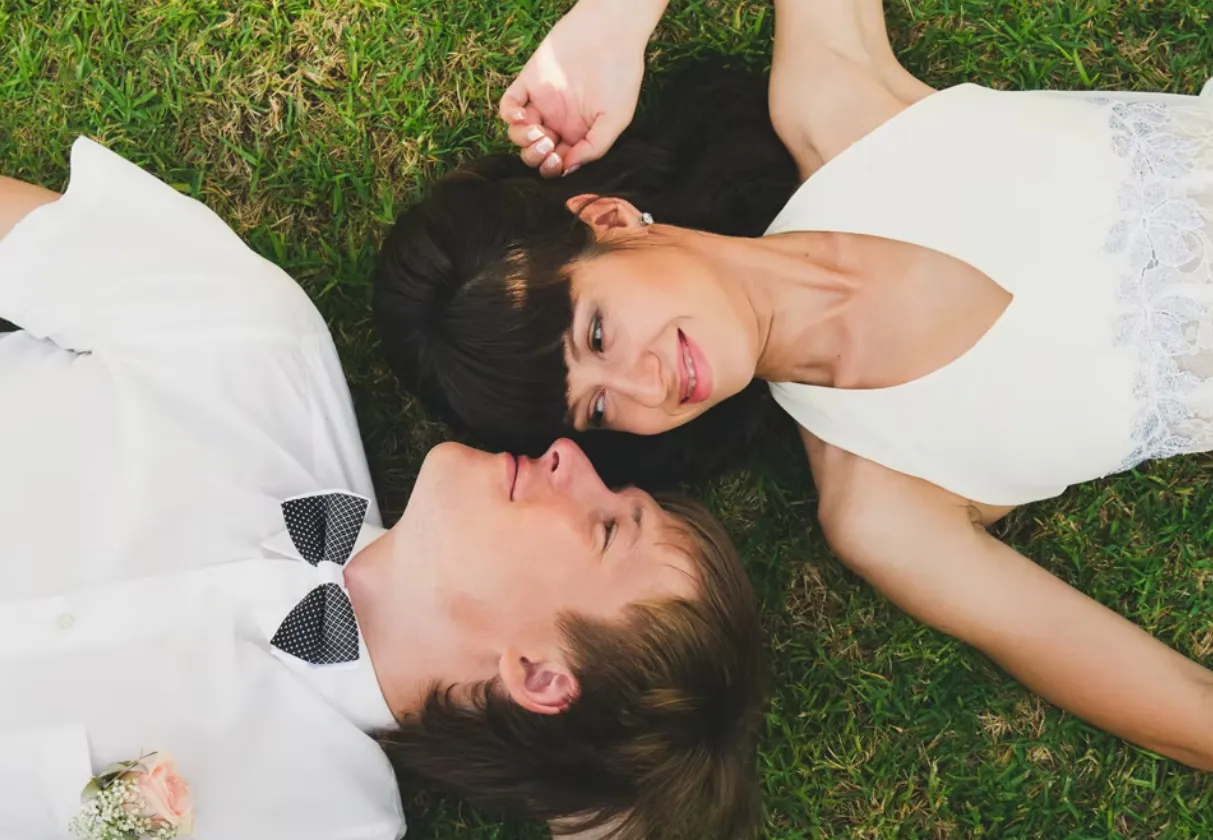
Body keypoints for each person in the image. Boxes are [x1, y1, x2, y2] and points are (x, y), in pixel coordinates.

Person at [372, 0, 1213, 774]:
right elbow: (1180, 711)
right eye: (597, 407)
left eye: (596, 333)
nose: (643, 384)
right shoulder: (882, 504)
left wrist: (611, 28)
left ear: (608, 220)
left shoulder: (837, 107)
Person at [0, 137, 767, 840]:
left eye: (606, 528)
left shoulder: (322, 823)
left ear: (536, 674)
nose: (571, 456)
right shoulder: (257, 349)